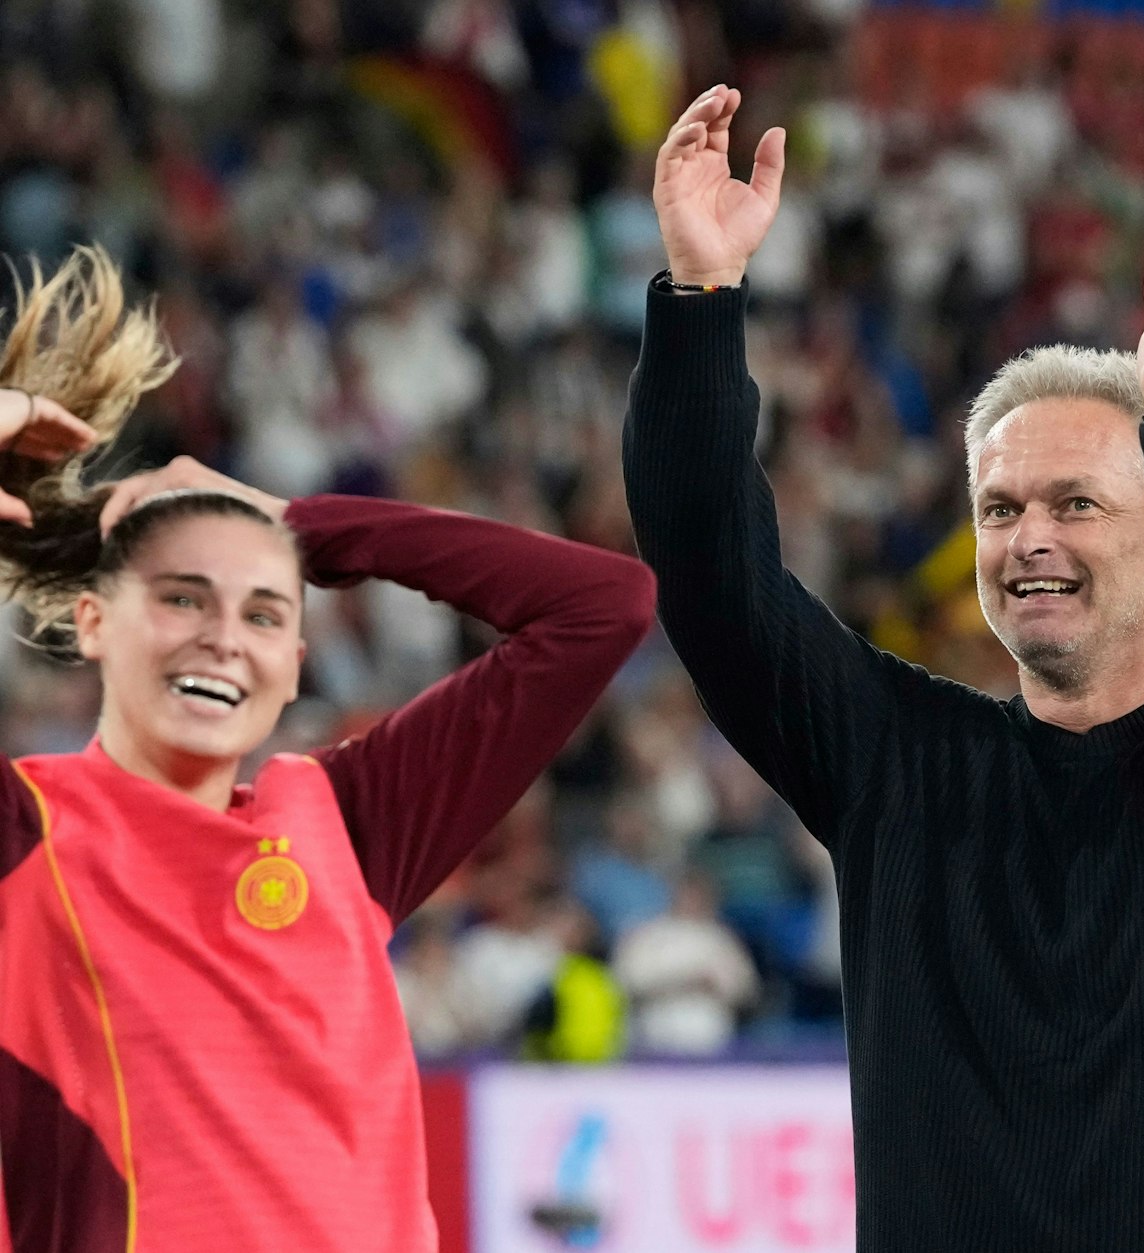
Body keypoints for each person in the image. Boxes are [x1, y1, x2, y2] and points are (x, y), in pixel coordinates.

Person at [625, 86, 1144, 1250]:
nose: (1029, 536)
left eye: (1075, 502)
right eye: (998, 507)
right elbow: (713, 579)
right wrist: (696, 299)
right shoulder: (895, 760)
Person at [0, 247, 657, 1250]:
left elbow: (600, 605)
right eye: (182, 597)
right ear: (92, 621)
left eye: (264, 612)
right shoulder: (22, 828)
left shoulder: (345, 822)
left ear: (297, 662)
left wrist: (292, 521)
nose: (224, 634)